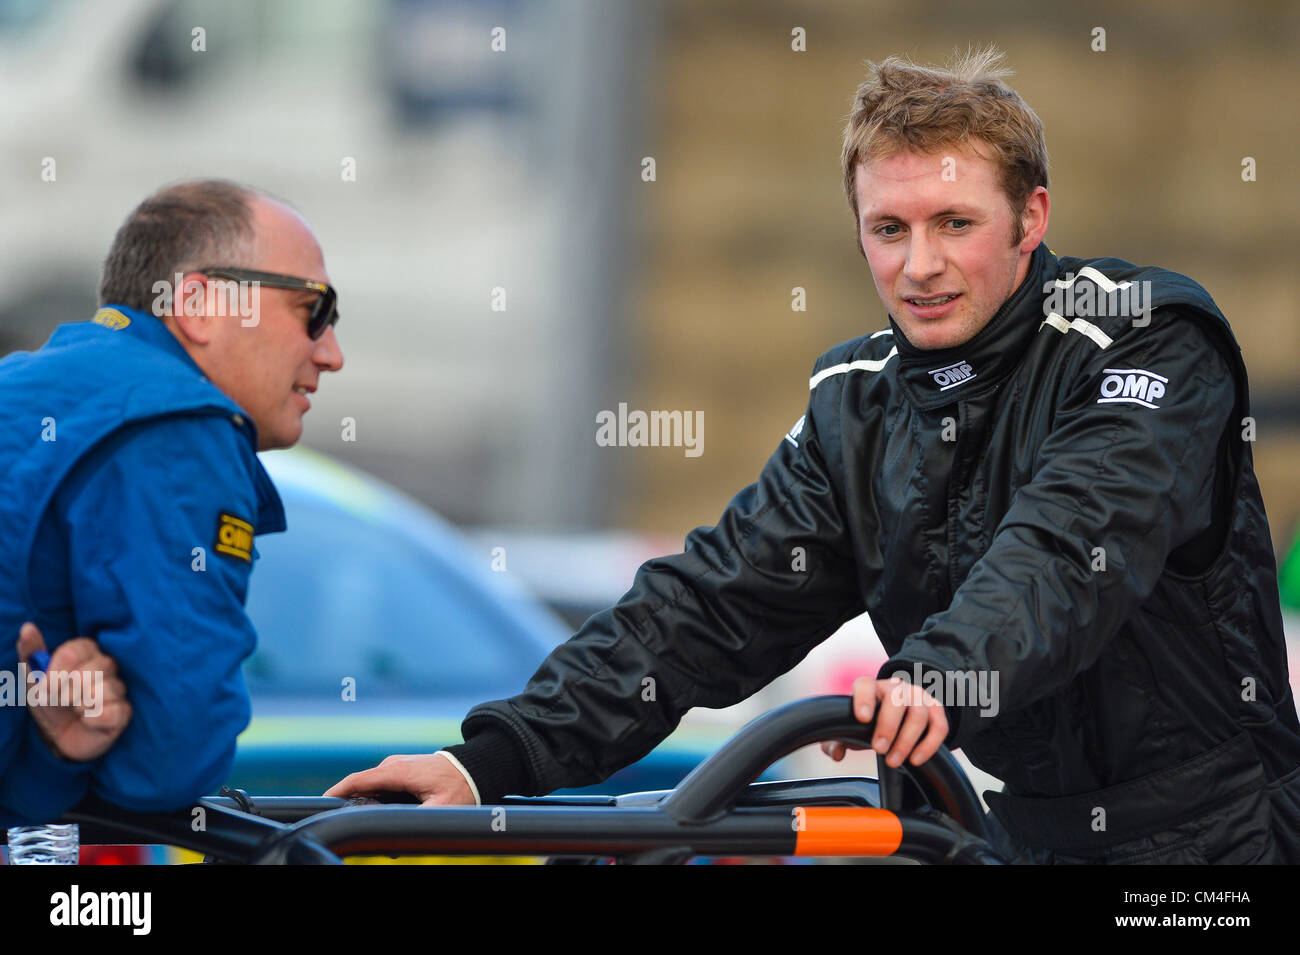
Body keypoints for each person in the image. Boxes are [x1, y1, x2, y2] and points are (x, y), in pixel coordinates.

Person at [328, 49, 1300, 864]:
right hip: (1015, 833)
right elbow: (704, 608)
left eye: (953, 224)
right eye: (889, 229)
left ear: (1030, 217)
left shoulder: (1143, 335)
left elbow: (1074, 542)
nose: (917, 265)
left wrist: (941, 678)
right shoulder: (857, 400)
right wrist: (483, 766)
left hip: (1219, 840)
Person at [0, 179, 344, 826]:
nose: (332, 353)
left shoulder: (33, 385)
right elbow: (169, 763)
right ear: (198, 303)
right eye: (314, 310)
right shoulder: (177, 420)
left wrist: (52, 754)